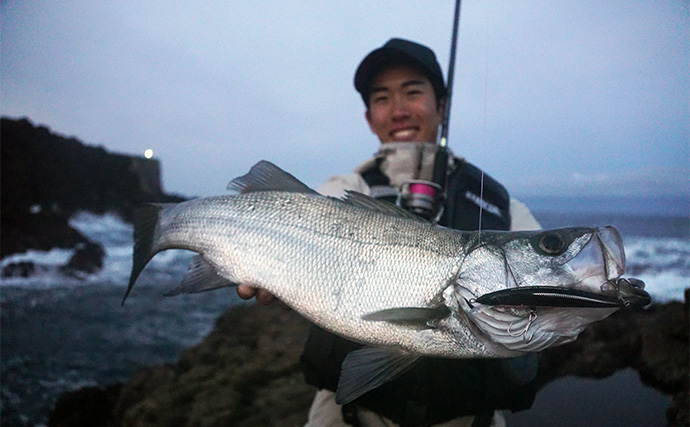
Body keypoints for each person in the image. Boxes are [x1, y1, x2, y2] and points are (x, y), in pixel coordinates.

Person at [239, 38, 542, 427]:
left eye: (413, 92)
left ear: (442, 106)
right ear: (369, 118)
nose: (398, 110)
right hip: (345, 415)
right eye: (381, 99)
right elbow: (293, 228)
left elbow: (551, 280)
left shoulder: (502, 207)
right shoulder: (344, 189)